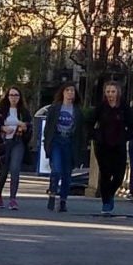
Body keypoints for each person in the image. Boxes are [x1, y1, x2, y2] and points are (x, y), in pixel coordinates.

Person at [88, 81, 131, 216]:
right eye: (108, 92)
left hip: (119, 145)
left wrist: (126, 136)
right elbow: (89, 123)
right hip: (103, 145)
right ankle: (106, 202)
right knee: (105, 174)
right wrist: (94, 135)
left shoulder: (124, 107)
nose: (110, 94)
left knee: (119, 176)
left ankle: (110, 194)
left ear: (118, 92)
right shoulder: (101, 107)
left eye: (113, 91)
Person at [43, 81, 84, 213]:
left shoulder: (77, 111)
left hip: (70, 142)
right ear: (63, 92)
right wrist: (47, 144)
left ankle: (63, 200)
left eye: (72, 91)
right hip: (57, 140)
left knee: (67, 174)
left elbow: (81, 131)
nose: (70, 93)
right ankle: (53, 192)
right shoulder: (55, 109)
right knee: (57, 169)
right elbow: (48, 127)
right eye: (67, 90)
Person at [0, 87, 34, 210]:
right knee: (3, 172)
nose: (14, 98)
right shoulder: (0, 110)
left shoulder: (24, 112)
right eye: (11, 95)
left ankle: (13, 199)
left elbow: (28, 126)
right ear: (7, 97)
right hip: (3, 144)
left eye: (16, 95)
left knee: (15, 169)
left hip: (17, 142)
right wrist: (2, 128)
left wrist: (24, 126)